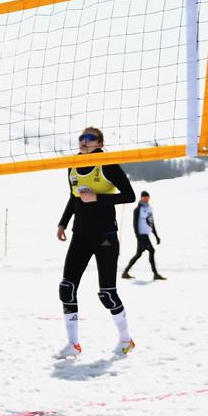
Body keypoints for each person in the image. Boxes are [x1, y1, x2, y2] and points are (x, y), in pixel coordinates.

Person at [54, 127, 137, 358]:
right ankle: (73, 344)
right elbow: (73, 197)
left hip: (105, 236)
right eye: (82, 137)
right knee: (66, 289)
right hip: (80, 235)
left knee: (107, 294)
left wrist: (97, 198)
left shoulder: (107, 164)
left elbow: (129, 195)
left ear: (99, 143)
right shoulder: (72, 164)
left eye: (90, 138)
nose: (84, 141)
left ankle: (126, 339)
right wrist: (62, 223)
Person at [122, 191, 165, 280]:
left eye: (147, 197)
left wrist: (156, 236)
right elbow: (135, 224)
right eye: (144, 197)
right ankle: (155, 274)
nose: (146, 199)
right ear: (141, 198)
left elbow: (151, 223)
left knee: (138, 254)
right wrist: (138, 237)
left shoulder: (149, 208)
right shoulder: (138, 209)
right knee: (151, 251)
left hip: (146, 234)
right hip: (141, 235)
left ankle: (125, 272)